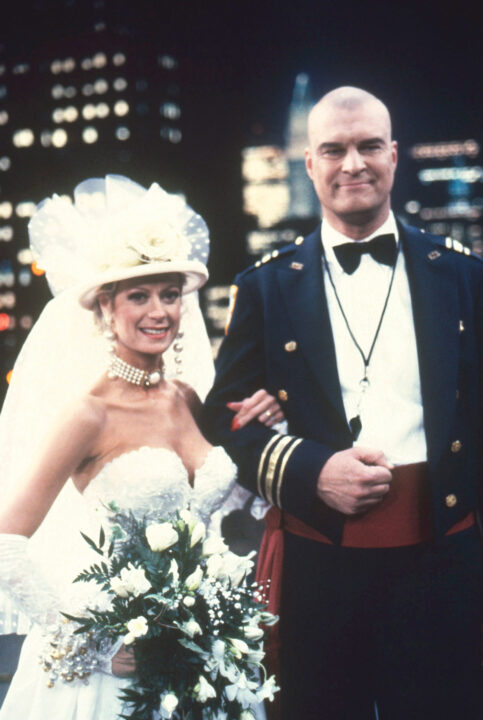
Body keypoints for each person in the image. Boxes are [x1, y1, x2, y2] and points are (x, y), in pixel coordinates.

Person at [203, 87, 483, 719]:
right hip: (318, 572)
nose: (352, 164)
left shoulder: (465, 277)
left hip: (446, 564)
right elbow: (222, 420)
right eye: (333, 149)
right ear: (309, 164)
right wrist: (310, 471)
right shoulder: (265, 288)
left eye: (367, 147)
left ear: (394, 155)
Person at [0, 175, 282, 719]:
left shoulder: (187, 397)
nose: (160, 312)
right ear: (106, 308)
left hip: (200, 652)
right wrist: (95, 642)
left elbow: (230, 508)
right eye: (139, 295)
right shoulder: (88, 414)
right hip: (116, 671)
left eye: (171, 294)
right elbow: (6, 545)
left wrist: (266, 426)